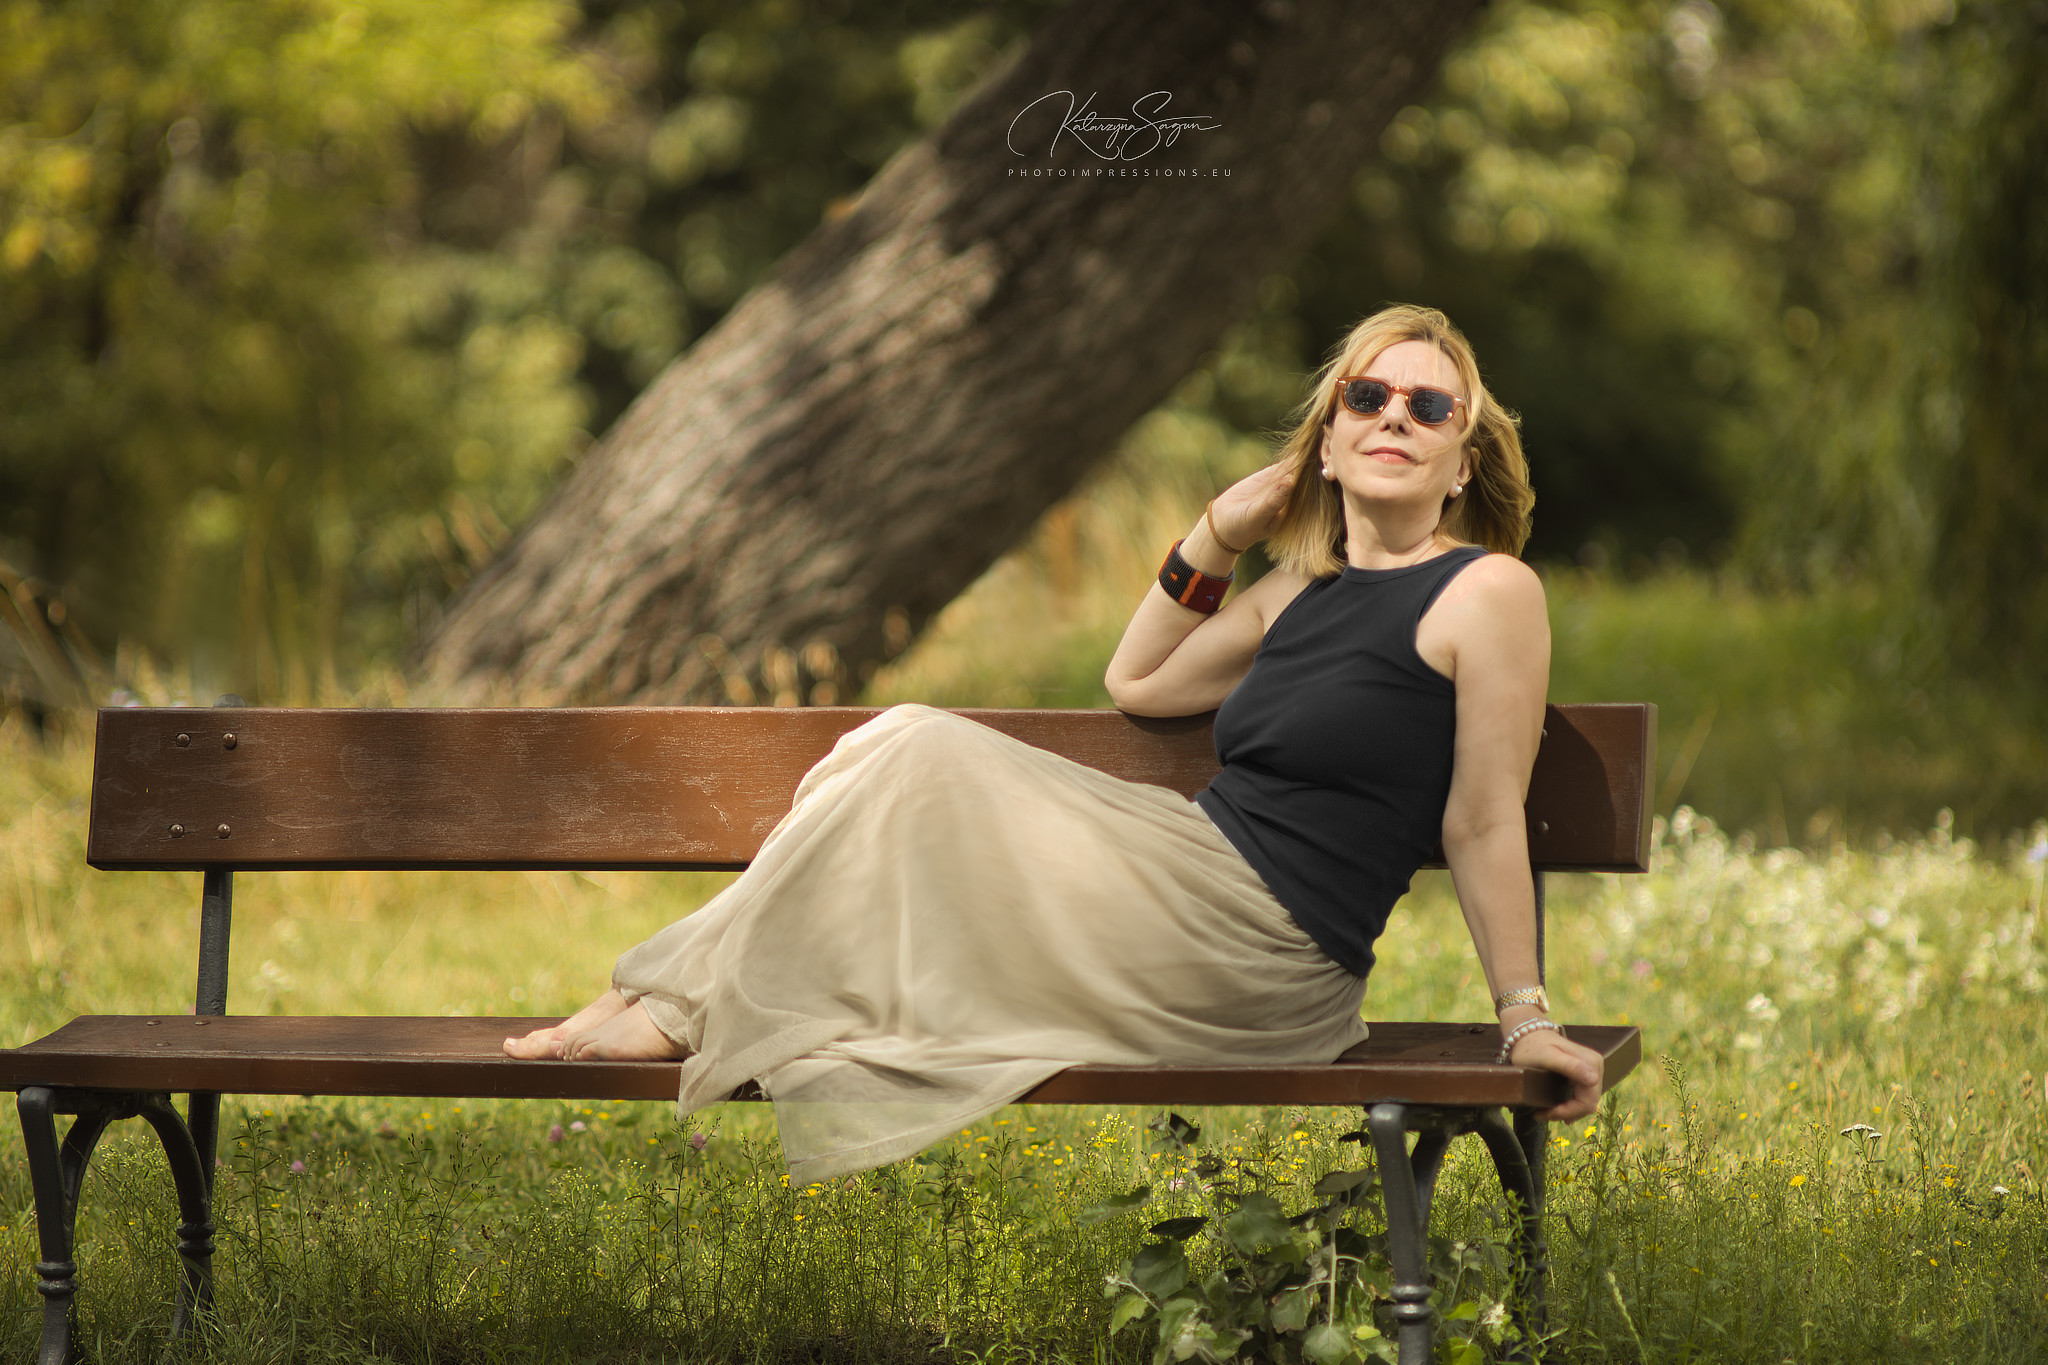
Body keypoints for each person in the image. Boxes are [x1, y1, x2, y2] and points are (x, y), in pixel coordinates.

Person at [506, 303, 1604, 1186]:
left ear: (1463, 460)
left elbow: (1480, 814)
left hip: (1261, 951)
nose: (1393, 418)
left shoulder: (1485, 593)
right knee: (896, 742)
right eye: (1367, 396)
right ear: (1328, 438)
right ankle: (676, 998)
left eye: (1428, 407)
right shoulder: (1297, 591)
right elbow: (1137, 680)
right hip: (1169, 886)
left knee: (915, 746)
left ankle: (666, 1000)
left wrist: (1523, 1022)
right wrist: (1216, 532)